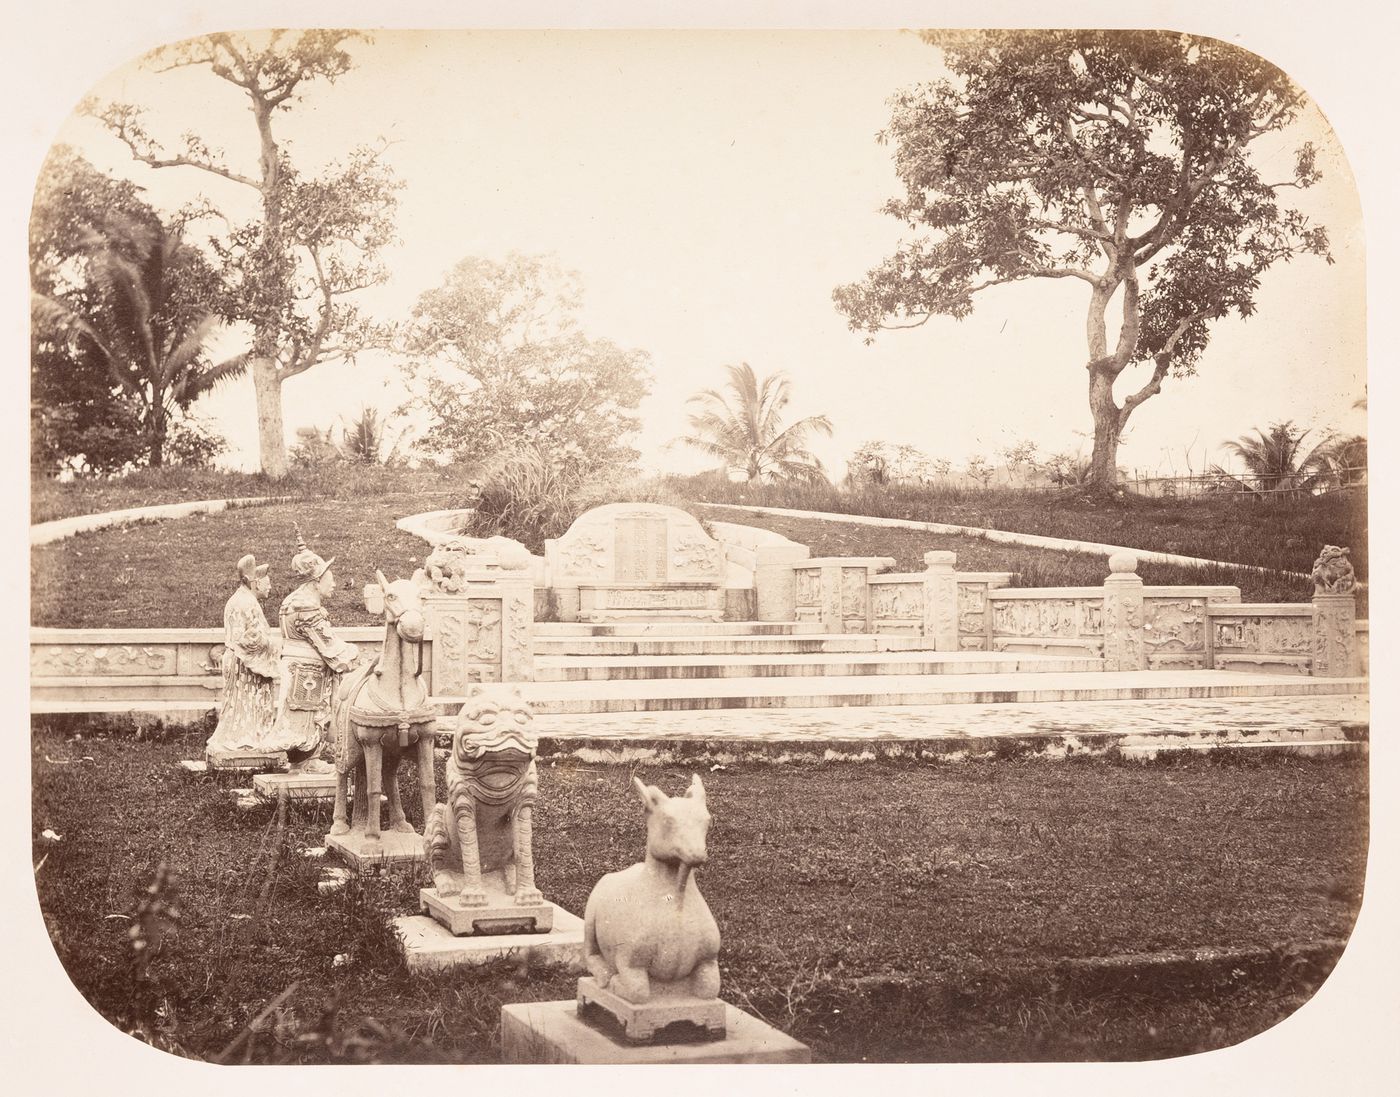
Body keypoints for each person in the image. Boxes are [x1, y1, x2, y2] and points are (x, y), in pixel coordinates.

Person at [274, 532, 360, 774]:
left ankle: (301, 762)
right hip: (307, 670)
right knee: (307, 716)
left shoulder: (293, 600)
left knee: (300, 714)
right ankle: (306, 763)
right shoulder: (306, 607)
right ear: (316, 581)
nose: (333, 584)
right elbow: (328, 645)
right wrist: (353, 654)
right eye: (329, 580)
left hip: (297, 667)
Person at [204, 554, 281, 757]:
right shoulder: (246, 603)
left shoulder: (241, 600)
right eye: (267, 583)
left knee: (239, 706)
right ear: (255, 583)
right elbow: (249, 639)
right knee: (245, 705)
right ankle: (247, 742)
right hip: (245, 664)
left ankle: (246, 738)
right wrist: (274, 645)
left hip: (239, 660)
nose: (270, 588)